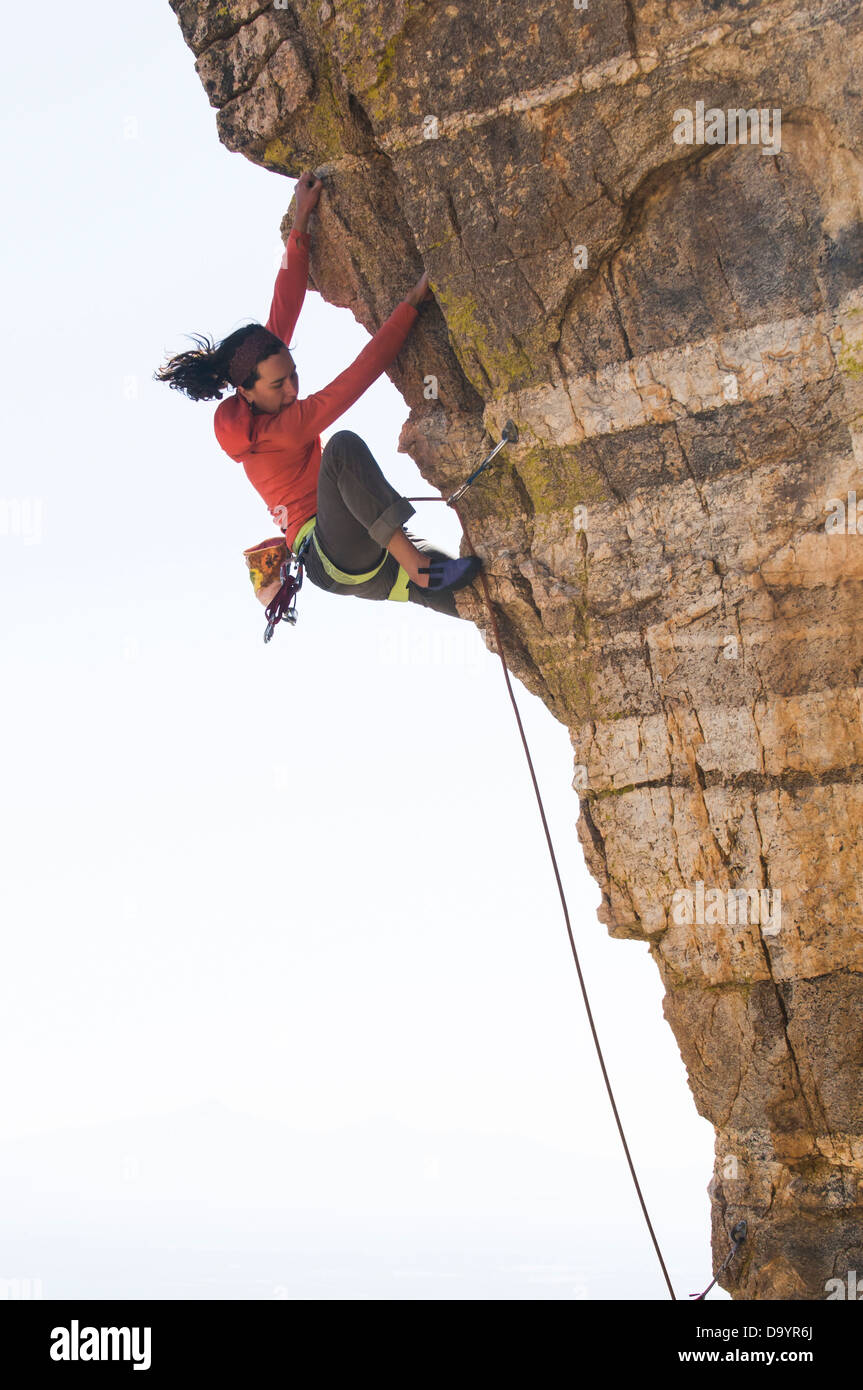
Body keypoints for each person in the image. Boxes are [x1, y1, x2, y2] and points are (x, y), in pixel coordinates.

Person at [154, 170, 482, 617]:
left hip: (364, 544)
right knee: (342, 449)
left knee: (488, 598)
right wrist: (410, 304)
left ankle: (422, 573)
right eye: (280, 384)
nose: (293, 388)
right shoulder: (281, 429)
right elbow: (360, 374)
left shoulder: (256, 373)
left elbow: (285, 302)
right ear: (247, 392)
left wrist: (301, 221)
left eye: (294, 373)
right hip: (332, 552)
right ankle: (420, 568)